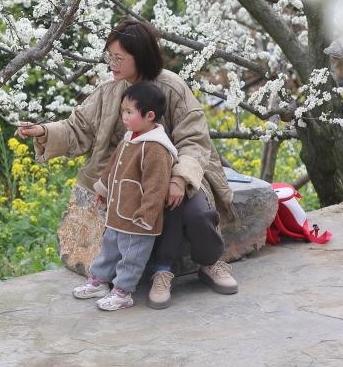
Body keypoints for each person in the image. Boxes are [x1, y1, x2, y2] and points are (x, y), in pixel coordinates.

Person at [17, 18, 238, 309]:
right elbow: (78, 128)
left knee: (196, 214)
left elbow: (194, 139)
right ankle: (116, 281)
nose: (112, 63)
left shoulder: (171, 87)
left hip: (171, 176)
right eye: (110, 56)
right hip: (125, 182)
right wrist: (44, 131)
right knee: (111, 225)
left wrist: (178, 180)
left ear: (141, 55)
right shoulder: (109, 91)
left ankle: (210, 262)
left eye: (119, 58)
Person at [76, 82, 177, 311]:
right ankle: (99, 281)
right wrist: (104, 190)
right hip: (119, 210)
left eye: (129, 112)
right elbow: (113, 166)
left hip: (139, 219)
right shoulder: (131, 137)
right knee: (109, 247)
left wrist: (147, 214)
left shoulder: (156, 148)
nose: (123, 116)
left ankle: (123, 291)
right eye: (123, 110)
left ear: (150, 115)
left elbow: (156, 186)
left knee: (132, 255)